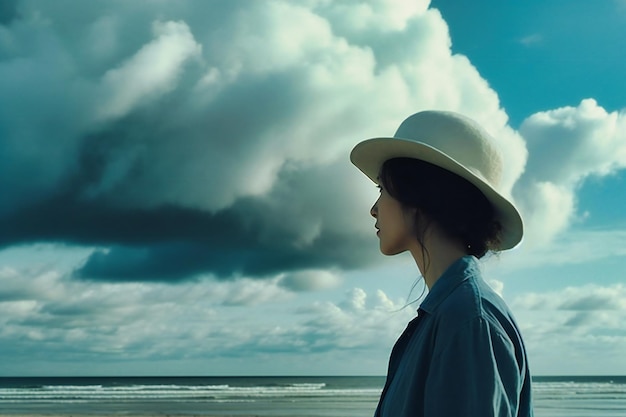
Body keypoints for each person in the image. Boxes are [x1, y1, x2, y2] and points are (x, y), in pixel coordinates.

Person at [350, 110, 534, 417]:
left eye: (382, 189)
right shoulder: (452, 314)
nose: (373, 209)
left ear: (420, 195)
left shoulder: (468, 320)